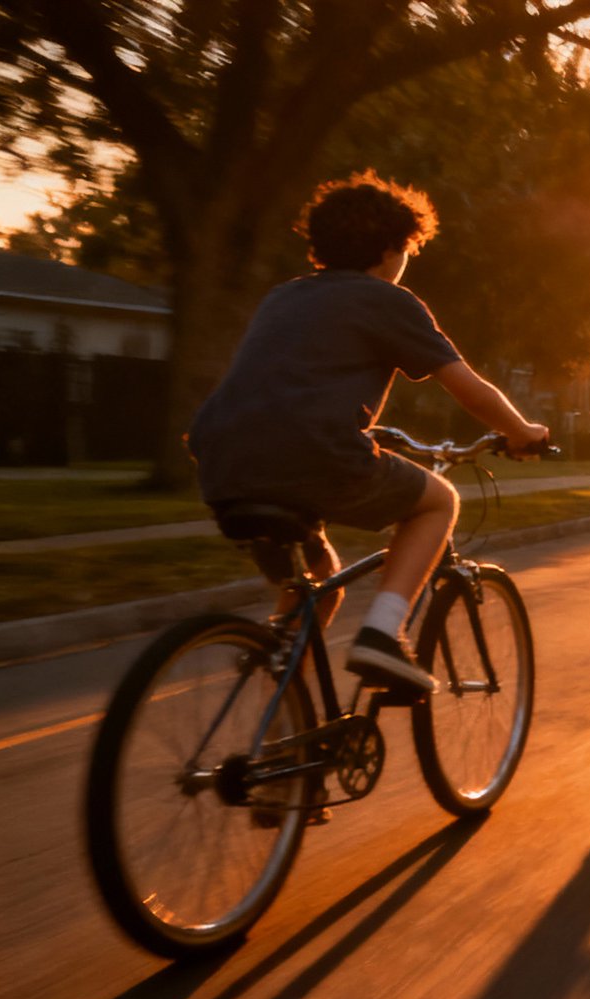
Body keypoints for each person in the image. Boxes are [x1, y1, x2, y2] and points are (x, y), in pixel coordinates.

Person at [187, 171, 549, 695]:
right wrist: (522, 430)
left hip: (224, 464)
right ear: (389, 249)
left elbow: (286, 387)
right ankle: (382, 633)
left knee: (316, 581)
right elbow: (468, 388)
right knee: (438, 501)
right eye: (406, 249)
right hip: (315, 456)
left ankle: (279, 736)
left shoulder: (282, 299)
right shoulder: (387, 300)